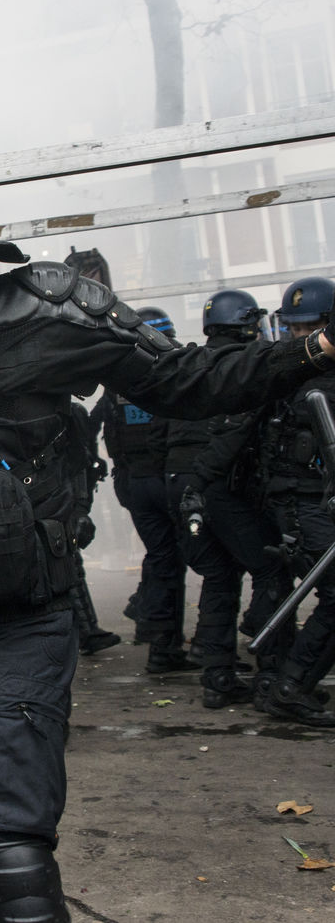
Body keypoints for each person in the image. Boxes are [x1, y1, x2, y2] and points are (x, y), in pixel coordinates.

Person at [0, 131, 335, 923]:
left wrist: (317, 347)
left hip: (19, 628)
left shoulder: (42, 313)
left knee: (7, 857)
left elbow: (187, 380)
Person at [165, 290, 288, 707]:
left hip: (178, 482)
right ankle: (272, 669)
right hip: (216, 483)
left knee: (219, 575)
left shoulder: (188, 364)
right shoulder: (244, 367)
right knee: (271, 568)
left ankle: (217, 676)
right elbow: (236, 433)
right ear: (247, 326)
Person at [254, 275, 335, 726]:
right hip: (303, 504)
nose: (302, 337)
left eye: (311, 328)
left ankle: (295, 681)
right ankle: (291, 686)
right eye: (296, 328)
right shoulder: (299, 377)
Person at [92, 309, 193, 670]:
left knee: (161, 557)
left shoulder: (119, 381)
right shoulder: (172, 374)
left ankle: (153, 626)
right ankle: (165, 644)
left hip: (134, 483)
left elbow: (97, 426)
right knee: (177, 561)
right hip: (165, 480)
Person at [62, 401, 120, 655]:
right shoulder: (70, 413)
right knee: (70, 566)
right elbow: (78, 461)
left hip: (58, 499)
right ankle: (87, 632)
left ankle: (86, 631)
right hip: (61, 501)